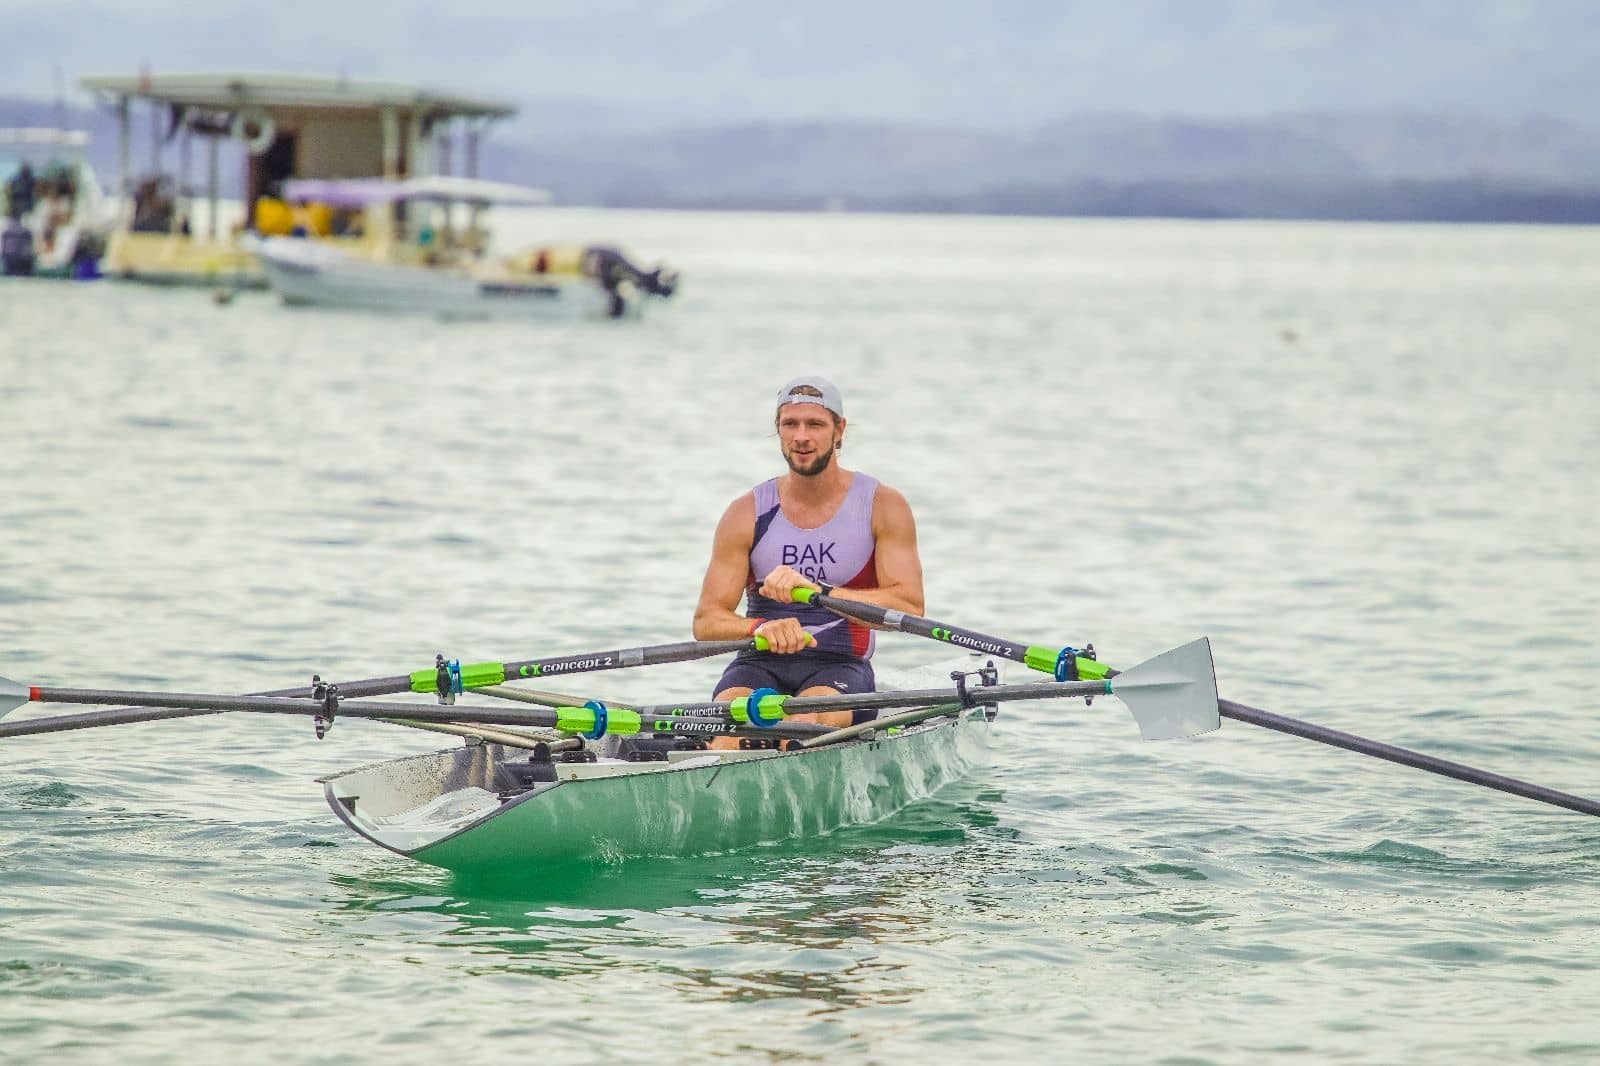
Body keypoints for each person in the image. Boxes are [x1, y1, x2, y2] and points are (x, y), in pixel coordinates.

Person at [693, 377, 925, 740]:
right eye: (791, 424)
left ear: (839, 430)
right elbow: (707, 621)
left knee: (806, 724)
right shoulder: (745, 513)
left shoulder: (881, 506)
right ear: (778, 430)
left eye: (815, 424)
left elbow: (909, 607)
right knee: (729, 731)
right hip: (758, 661)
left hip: (840, 666)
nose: (802, 436)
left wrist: (820, 591)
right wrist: (758, 628)